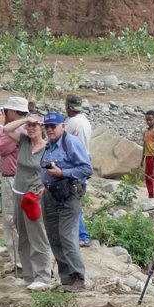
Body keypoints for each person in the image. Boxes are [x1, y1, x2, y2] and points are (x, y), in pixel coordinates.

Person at [40, 112, 93, 292]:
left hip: (69, 192)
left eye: (53, 126)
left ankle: (78, 278)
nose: (49, 129)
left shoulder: (71, 142)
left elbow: (86, 168)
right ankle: (66, 280)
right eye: (46, 126)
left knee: (67, 236)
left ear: (63, 126)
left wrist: (62, 173)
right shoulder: (50, 145)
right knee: (54, 237)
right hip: (50, 194)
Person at [3, 114, 52, 290]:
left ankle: (43, 276)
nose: (31, 128)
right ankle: (29, 276)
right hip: (18, 192)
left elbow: (53, 172)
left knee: (37, 235)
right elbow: (6, 128)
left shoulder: (48, 148)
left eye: (35, 126)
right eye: (29, 126)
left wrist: (45, 188)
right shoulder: (23, 141)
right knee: (22, 235)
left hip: (34, 197)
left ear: (42, 129)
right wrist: (25, 120)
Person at [0, 95, 30, 273]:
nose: (3, 113)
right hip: (20, 178)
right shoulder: (26, 126)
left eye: (5, 111)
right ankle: (25, 262)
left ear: (13, 112)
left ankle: (20, 264)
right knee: (23, 222)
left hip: (13, 180)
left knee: (11, 221)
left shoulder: (17, 129)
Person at [64, 94, 92, 247]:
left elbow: (62, 140)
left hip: (76, 163)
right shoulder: (85, 120)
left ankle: (82, 235)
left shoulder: (73, 122)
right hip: (86, 159)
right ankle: (79, 234)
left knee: (73, 200)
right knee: (77, 198)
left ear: (69, 107)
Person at [141, 110, 154, 199]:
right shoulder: (145, 132)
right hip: (147, 157)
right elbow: (144, 145)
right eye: (147, 120)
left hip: (153, 157)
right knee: (147, 177)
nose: (149, 122)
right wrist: (142, 159)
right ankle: (150, 194)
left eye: (150, 119)